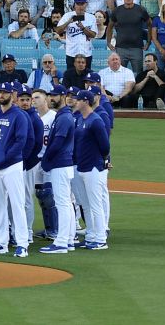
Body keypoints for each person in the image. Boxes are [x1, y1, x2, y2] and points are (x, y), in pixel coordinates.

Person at [0, 81, 34, 258]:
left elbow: (21, 141)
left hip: (12, 166)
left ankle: (22, 243)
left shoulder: (19, 116)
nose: (1, 95)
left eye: (5, 92)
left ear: (13, 96)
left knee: (17, 204)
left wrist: (4, 159)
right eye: (0, 92)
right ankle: (0, 242)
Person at [38, 85, 75, 254]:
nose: (51, 98)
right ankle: (68, 240)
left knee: (62, 203)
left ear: (63, 96)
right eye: (50, 95)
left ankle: (61, 242)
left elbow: (57, 143)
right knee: (65, 203)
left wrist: (47, 160)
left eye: (55, 95)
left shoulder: (64, 118)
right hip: (62, 164)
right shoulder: (62, 116)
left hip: (60, 164)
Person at [73, 89, 110, 250]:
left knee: (96, 204)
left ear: (86, 101)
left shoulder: (96, 120)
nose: (75, 102)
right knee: (86, 204)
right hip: (82, 165)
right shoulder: (80, 119)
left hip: (94, 167)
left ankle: (101, 239)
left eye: (78, 100)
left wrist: (102, 160)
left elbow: (105, 145)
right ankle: (91, 236)